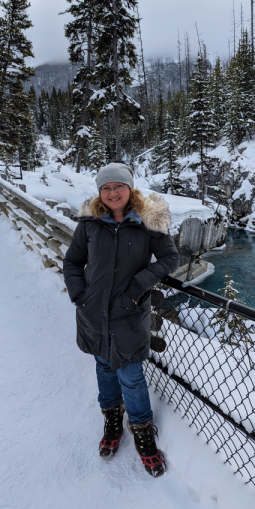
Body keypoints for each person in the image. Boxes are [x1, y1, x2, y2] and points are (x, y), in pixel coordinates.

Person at [63, 163, 179, 477]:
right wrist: (79, 295)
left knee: (131, 375)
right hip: (94, 313)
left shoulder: (148, 220)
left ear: (130, 188)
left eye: (119, 186)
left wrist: (139, 285)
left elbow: (170, 257)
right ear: (99, 192)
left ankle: (142, 435)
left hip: (129, 314)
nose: (113, 193)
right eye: (106, 188)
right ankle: (112, 422)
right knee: (103, 365)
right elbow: (73, 261)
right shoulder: (89, 223)